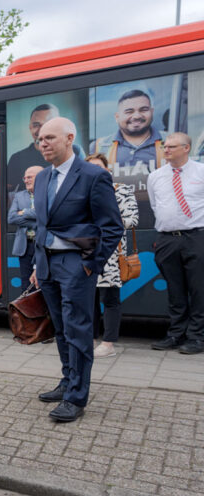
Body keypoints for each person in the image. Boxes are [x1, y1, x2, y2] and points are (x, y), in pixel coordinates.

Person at [30, 118, 123, 423]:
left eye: (49, 138)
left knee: (78, 330)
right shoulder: (42, 178)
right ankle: (68, 380)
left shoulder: (94, 176)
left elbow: (112, 227)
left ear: (69, 138)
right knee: (60, 328)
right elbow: (42, 225)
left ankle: (76, 397)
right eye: (40, 139)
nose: (43, 143)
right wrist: (37, 263)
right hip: (47, 265)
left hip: (76, 264)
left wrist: (91, 265)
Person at [147, 132, 204, 354]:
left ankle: (197, 337)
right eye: (165, 146)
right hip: (167, 239)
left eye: (171, 146)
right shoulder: (156, 176)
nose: (166, 150)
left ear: (186, 148)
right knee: (175, 290)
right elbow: (155, 205)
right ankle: (176, 334)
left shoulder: (201, 171)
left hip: (196, 236)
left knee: (199, 289)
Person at [85, 153, 138, 358]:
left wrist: (105, 222)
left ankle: (108, 344)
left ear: (107, 170)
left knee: (110, 298)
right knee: (88, 299)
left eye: (98, 166)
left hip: (110, 252)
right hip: (86, 250)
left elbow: (132, 219)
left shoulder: (120, 190)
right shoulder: (82, 192)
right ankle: (89, 339)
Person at [90, 89, 164, 170]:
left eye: (143, 110)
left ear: (152, 112)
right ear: (117, 117)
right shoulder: (97, 147)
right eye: (129, 112)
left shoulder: (169, 141)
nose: (137, 116)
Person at [7, 165, 44, 293]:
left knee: (45, 283)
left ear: (41, 177)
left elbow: (46, 214)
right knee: (27, 284)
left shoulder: (49, 193)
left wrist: (23, 212)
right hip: (25, 246)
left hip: (44, 244)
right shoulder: (19, 196)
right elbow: (11, 218)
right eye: (25, 178)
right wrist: (36, 222)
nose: (26, 180)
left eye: (30, 177)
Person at [7, 104, 59, 192]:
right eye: (36, 125)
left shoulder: (73, 152)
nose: (42, 130)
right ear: (30, 127)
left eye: (48, 124)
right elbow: (8, 192)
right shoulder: (17, 158)